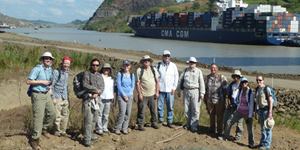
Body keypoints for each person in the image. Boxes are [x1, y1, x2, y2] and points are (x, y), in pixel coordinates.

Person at [26, 52, 56, 150]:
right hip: (37, 95)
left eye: (50, 59)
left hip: (46, 94)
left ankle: (44, 128)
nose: (48, 60)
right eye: (46, 58)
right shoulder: (37, 69)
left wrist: (50, 88)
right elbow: (28, 81)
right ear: (42, 59)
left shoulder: (49, 69)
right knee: (38, 118)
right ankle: (35, 139)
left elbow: (49, 81)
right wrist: (41, 82)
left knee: (52, 113)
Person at [218, 77, 255, 149]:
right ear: (240, 83)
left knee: (249, 129)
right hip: (239, 111)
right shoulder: (240, 90)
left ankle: (251, 143)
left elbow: (251, 105)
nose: (244, 84)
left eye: (245, 82)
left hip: (247, 113)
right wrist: (238, 89)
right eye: (242, 82)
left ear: (247, 83)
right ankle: (225, 137)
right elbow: (234, 96)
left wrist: (250, 116)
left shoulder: (250, 92)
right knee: (229, 122)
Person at [177, 57, 205, 132]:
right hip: (186, 91)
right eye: (191, 62)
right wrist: (179, 91)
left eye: (193, 62)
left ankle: (194, 126)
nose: (192, 63)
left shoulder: (199, 71)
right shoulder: (185, 70)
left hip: (195, 91)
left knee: (195, 109)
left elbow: (201, 83)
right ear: (188, 63)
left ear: (195, 63)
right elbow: (180, 81)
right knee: (187, 109)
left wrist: (202, 93)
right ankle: (188, 124)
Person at [82, 58, 104, 147]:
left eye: (97, 65)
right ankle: (86, 139)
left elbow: (102, 86)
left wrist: (98, 92)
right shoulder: (86, 74)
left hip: (97, 100)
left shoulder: (99, 75)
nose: (95, 66)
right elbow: (85, 85)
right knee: (88, 119)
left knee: (94, 119)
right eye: (94, 65)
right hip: (88, 99)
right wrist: (95, 91)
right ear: (91, 65)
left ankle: (90, 135)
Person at [136, 55, 160, 131]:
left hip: (152, 94)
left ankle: (154, 123)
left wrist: (157, 92)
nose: (147, 61)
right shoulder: (139, 70)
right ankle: (140, 124)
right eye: (145, 60)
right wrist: (140, 94)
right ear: (142, 62)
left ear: (150, 62)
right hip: (143, 94)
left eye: (148, 60)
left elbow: (157, 82)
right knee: (141, 110)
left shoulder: (153, 69)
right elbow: (137, 83)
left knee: (153, 110)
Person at [155, 50, 179, 128]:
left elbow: (176, 77)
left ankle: (169, 121)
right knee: (160, 106)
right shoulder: (158, 65)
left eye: (168, 56)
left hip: (170, 90)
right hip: (161, 89)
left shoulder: (173, 66)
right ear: (163, 56)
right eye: (165, 56)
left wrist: (174, 87)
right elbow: (155, 78)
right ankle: (160, 120)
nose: (167, 57)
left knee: (170, 106)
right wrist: (156, 89)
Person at [51, 57, 73, 138]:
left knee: (65, 114)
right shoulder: (56, 72)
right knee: (57, 115)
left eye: (68, 63)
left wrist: (67, 95)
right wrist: (53, 97)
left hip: (65, 96)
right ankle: (57, 131)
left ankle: (63, 131)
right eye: (65, 63)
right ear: (62, 63)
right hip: (57, 96)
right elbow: (52, 85)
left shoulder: (67, 71)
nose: (66, 65)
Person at [204, 63, 227, 135]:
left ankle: (220, 130)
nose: (213, 69)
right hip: (210, 100)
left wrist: (223, 100)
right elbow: (205, 89)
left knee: (220, 116)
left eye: (214, 68)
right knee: (211, 114)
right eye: (211, 68)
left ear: (217, 68)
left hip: (219, 100)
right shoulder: (207, 78)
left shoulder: (222, 77)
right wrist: (205, 99)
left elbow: (225, 89)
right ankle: (212, 128)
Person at [114, 60, 135, 135]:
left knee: (128, 113)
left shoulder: (132, 75)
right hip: (121, 95)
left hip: (130, 95)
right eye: (125, 65)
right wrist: (124, 95)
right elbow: (119, 85)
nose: (126, 67)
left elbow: (132, 86)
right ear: (123, 66)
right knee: (122, 112)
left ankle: (124, 128)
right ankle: (117, 128)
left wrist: (128, 95)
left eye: (127, 65)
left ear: (130, 66)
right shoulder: (120, 74)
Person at [223, 70, 243, 140]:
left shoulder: (242, 85)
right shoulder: (231, 85)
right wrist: (229, 104)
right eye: (234, 76)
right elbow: (228, 95)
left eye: (237, 76)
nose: (235, 77)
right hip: (232, 105)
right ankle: (226, 134)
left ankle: (238, 136)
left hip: (240, 106)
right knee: (227, 118)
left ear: (239, 77)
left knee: (239, 121)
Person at [255, 75, 273, 150]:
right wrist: (255, 112)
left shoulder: (267, 89)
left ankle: (267, 146)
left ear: (263, 80)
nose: (258, 81)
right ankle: (262, 143)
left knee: (267, 128)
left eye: (260, 80)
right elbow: (256, 102)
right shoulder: (257, 89)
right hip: (260, 110)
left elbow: (271, 101)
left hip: (266, 110)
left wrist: (270, 112)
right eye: (257, 80)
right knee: (262, 128)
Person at [95, 63, 114, 135]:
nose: (106, 70)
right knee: (99, 114)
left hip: (109, 98)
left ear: (109, 70)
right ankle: (99, 128)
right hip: (101, 97)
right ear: (102, 69)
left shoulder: (111, 78)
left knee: (106, 114)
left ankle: (104, 127)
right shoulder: (100, 76)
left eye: (107, 69)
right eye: (105, 68)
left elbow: (111, 88)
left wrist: (112, 97)